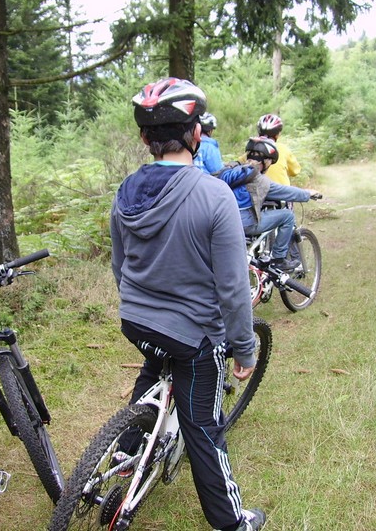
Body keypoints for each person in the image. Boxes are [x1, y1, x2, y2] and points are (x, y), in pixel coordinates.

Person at [110, 77, 266, 531]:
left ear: (145, 138)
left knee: (154, 367)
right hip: (193, 334)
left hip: (136, 320)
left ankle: (125, 452)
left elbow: (121, 266)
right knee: (204, 427)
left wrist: (143, 303)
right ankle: (232, 521)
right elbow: (234, 289)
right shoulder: (214, 194)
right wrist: (244, 347)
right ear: (196, 133)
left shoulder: (125, 191)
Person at [217, 136, 321, 272]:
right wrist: (308, 194)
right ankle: (278, 259)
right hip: (243, 224)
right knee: (287, 216)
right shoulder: (260, 180)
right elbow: (286, 192)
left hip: (220, 222)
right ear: (266, 161)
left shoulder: (230, 170)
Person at [256, 114, 301, 186]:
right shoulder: (283, 149)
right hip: (282, 193)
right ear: (278, 134)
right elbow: (295, 171)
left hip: (257, 193)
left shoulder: (251, 149)